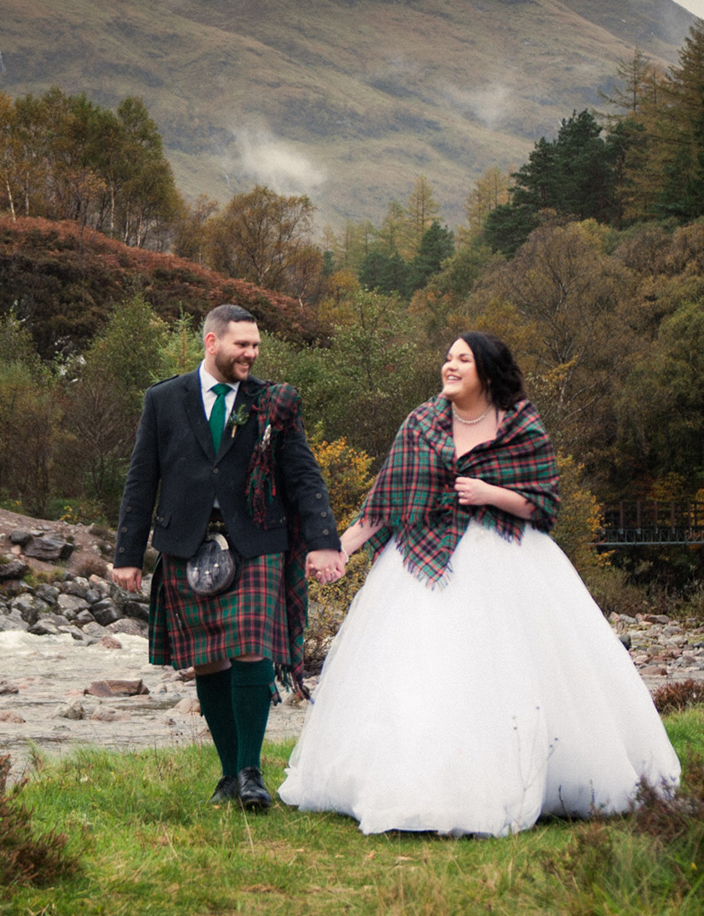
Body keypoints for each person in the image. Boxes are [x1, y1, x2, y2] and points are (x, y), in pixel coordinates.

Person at [277, 332, 679, 835]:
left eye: (462, 360)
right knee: (421, 674)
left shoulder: (520, 423)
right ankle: (412, 785)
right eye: (447, 358)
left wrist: (492, 492)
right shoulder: (419, 424)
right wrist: (341, 550)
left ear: (486, 371)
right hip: (420, 560)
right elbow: (385, 502)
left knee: (505, 670)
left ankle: (524, 777)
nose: (450, 366)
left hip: (505, 555)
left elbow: (543, 502)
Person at [114, 304, 345, 810]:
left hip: (256, 538)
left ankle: (250, 771)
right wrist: (128, 553)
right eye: (242, 345)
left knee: (252, 649)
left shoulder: (271, 402)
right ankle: (227, 773)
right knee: (208, 660)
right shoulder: (163, 399)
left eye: (256, 345)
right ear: (212, 343)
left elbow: (303, 474)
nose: (252, 354)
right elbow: (141, 477)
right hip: (186, 544)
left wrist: (325, 540)